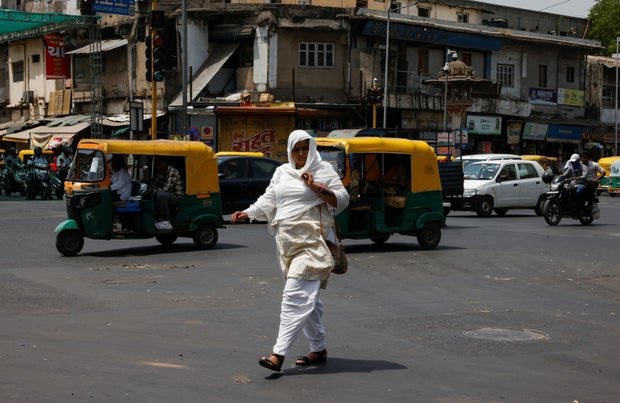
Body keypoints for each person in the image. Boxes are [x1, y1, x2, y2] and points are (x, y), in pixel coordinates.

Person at [230, 130, 349, 372]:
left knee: (295, 294)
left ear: (312, 149)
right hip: (287, 243)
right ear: (290, 151)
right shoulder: (282, 172)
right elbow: (269, 199)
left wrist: (316, 187)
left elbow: (342, 199)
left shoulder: (323, 169)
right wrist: (248, 213)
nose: (301, 153)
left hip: (314, 242)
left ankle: (278, 353)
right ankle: (319, 348)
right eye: (296, 149)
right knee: (310, 299)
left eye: (305, 147)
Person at [151, 157, 184, 231]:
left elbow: (166, 189)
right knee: (153, 195)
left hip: (176, 197)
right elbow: (155, 184)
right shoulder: (161, 171)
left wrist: (155, 190)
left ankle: (166, 220)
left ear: (165, 163)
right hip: (168, 195)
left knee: (161, 195)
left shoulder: (173, 171)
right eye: (157, 165)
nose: (158, 167)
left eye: (160, 164)